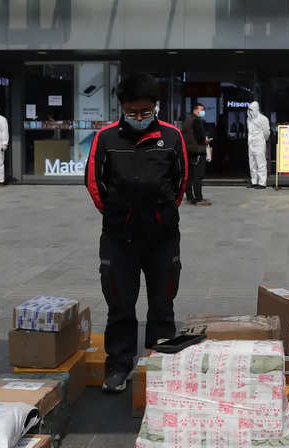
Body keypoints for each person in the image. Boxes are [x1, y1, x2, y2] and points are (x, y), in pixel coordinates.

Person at [85, 73, 188, 393]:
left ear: (155, 107)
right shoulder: (106, 138)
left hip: (161, 237)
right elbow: (93, 182)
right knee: (120, 304)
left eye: (146, 111)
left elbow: (180, 182)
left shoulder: (172, 137)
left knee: (162, 303)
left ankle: (159, 363)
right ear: (122, 109)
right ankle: (119, 365)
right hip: (119, 237)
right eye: (132, 112)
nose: (140, 118)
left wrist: (162, 213)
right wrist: (119, 214)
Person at [181, 102, 211, 206]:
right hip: (198, 151)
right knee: (198, 176)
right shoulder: (197, 120)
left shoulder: (187, 120)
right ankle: (199, 198)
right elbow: (200, 137)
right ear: (195, 110)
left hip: (189, 151)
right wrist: (206, 140)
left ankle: (190, 196)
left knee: (189, 175)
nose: (203, 112)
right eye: (201, 110)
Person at [247, 101, 270, 189]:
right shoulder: (249, 119)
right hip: (251, 143)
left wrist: (262, 139)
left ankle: (262, 182)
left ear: (256, 109)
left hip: (259, 143)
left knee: (261, 163)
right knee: (252, 163)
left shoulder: (263, 119)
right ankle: (254, 181)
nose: (250, 111)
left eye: (251, 110)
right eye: (249, 110)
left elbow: (266, 132)